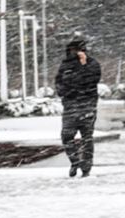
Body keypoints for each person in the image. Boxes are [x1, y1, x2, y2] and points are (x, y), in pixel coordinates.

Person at [55, 37, 101, 177]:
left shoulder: (91, 63)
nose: (74, 53)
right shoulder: (65, 65)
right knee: (67, 136)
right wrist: (66, 93)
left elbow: (92, 80)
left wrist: (83, 65)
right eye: (72, 50)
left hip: (87, 105)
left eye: (77, 50)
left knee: (87, 137)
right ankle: (75, 161)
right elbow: (59, 83)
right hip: (71, 105)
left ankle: (86, 167)